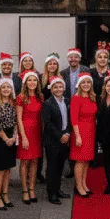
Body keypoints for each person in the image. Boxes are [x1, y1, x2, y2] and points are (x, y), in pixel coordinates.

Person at [42, 76, 72, 204]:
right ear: (52, 89)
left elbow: (70, 119)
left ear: (64, 88)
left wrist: (68, 133)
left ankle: (58, 189)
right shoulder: (47, 103)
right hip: (53, 140)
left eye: (60, 87)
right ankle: (51, 193)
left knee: (60, 166)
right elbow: (48, 123)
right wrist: (60, 136)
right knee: (52, 167)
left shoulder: (67, 101)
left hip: (65, 138)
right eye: (56, 87)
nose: (58, 89)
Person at [0, 78, 18, 211]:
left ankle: (5, 194)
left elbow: (16, 122)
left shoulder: (13, 103)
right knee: (0, 170)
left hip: (11, 137)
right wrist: (6, 139)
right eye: (3, 87)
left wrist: (14, 137)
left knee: (8, 169)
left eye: (8, 87)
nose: (6, 89)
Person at [16, 70, 43, 205]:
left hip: (37, 132)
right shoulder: (21, 97)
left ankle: (32, 188)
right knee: (25, 161)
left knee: (35, 161)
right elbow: (19, 119)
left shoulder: (40, 97)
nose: (32, 82)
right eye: (29, 80)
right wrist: (24, 137)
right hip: (25, 131)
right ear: (25, 83)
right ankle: (25, 190)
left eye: (34, 80)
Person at [70, 73, 98, 197]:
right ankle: (78, 186)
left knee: (86, 160)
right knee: (80, 160)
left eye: (88, 82)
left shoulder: (92, 97)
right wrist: (77, 136)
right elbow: (74, 119)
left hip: (90, 131)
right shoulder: (76, 98)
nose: (86, 84)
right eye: (83, 82)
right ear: (79, 84)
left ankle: (84, 184)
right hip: (80, 131)